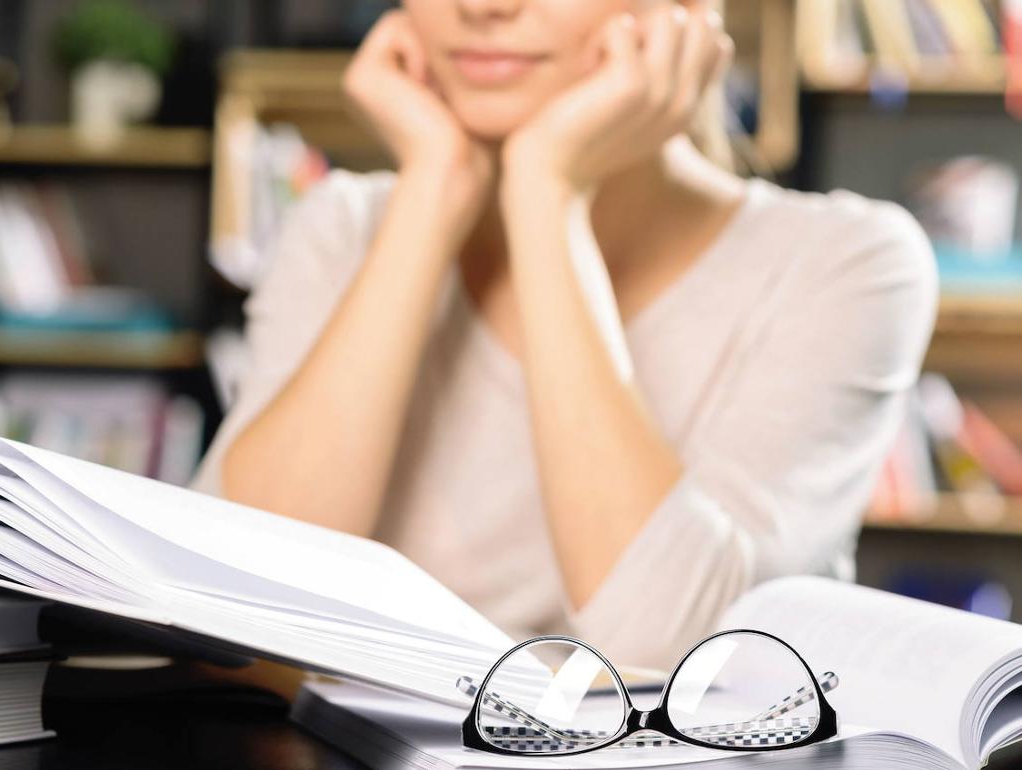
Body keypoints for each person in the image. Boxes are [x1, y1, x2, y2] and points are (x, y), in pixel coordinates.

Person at [193, 0, 938, 670]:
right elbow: (225, 599)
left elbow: (682, 654)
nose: (481, 8)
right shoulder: (345, 228)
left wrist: (546, 194)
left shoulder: (845, 264)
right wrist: (434, 190)